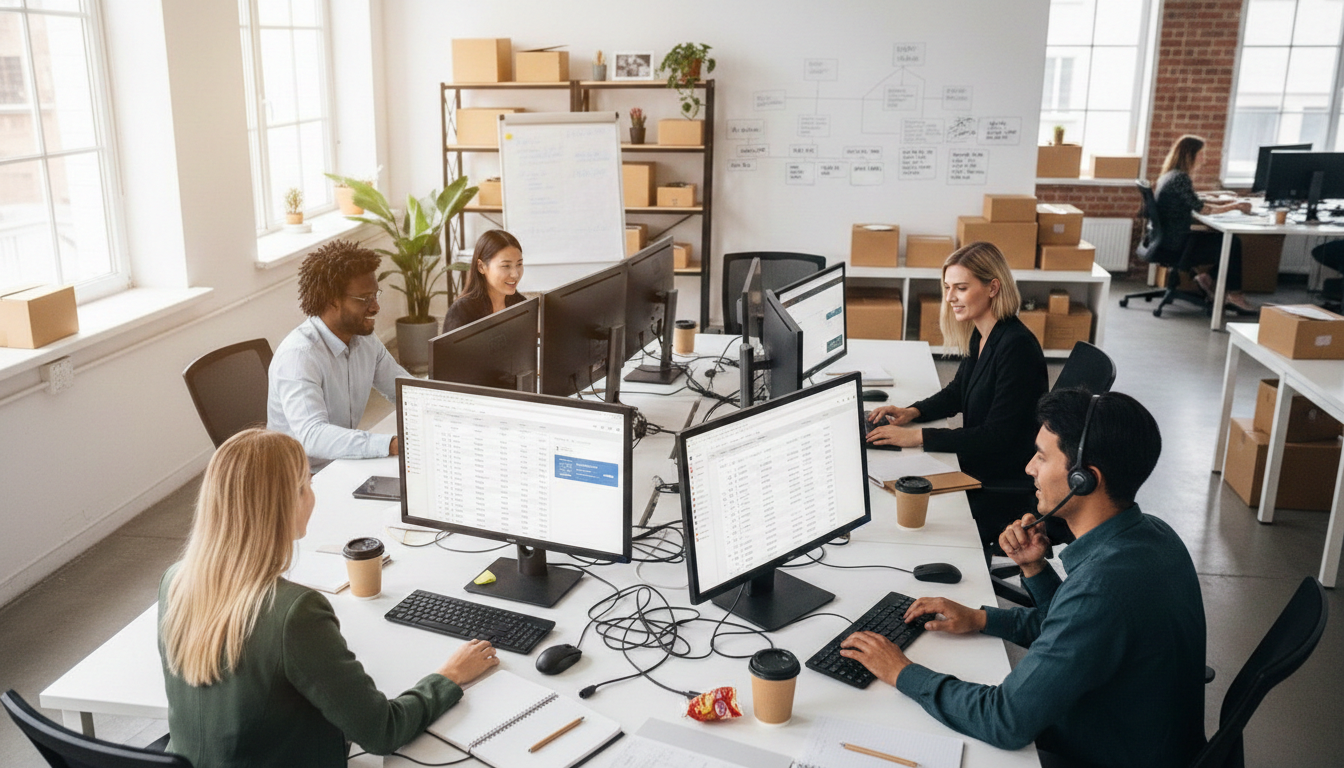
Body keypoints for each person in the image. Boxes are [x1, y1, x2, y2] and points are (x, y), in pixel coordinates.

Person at [841, 390, 1207, 768]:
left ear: (1084, 479)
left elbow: (1004, 720)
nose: (1030, 467)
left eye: (1042, 457)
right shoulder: (1153, 534)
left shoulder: (1102, 590)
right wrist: (992, 608)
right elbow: (1072, 628)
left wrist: (901, 672)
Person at [158, 429, 498, 767]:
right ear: (286, 502)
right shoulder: (295, 613)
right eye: (307, 484)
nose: (312, 495)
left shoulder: (175, 581)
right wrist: (449, 676)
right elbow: (383, 732)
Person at [866, 242, 1048, 544]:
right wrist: (913, 412)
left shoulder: (1016, 347)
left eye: (961, 288)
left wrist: (918, 437)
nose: (950, 297)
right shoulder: (984, 332)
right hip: (978, 460)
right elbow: (958, 391)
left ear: (993, 288)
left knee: (894, 499)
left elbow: (996, 436)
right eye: (947, 287)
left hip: (999, 475)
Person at [267, 239, 407, 469]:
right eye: (365, 299)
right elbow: (312, 435)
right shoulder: (299, 356)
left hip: (341, 462)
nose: (375, 307)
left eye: (375, 295)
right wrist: (390, 444)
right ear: (332, 300)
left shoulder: (364, 340)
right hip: (301, 476)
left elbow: (403, 390)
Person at [1154, 134, 1257, 313]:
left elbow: (1193, 201)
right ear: (1190, 155)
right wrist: (1236, 206)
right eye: (1201, 154)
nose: (1204, 158)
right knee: (1232, 243)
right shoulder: (1181, 178)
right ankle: (1234, 295)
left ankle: (1207, 279)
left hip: (1166, 239)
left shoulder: (1170, 175)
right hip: (1178, 244)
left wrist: (1222, 201)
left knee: (1224, 240)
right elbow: (1203, 210)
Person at [442, 229, 525, 333]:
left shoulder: (520, 304)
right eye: (506, 266)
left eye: (519, 264)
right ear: (481, 267)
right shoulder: (461, 311)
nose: (515, 274)